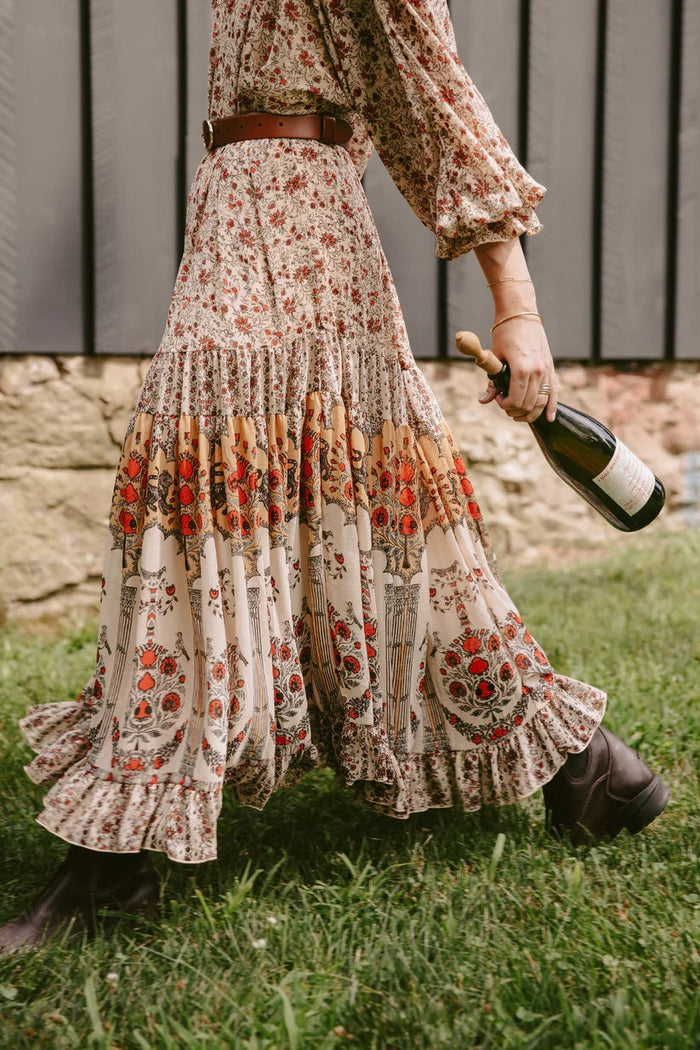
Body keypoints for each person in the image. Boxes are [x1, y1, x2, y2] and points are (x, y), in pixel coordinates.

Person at [0, 0, 669, 954]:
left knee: (202, 498)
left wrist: (517, 307)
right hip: (241, 211)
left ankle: (115, 862)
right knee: (356, 525)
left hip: (296, 227)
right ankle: (591, 770)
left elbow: (431, 93)